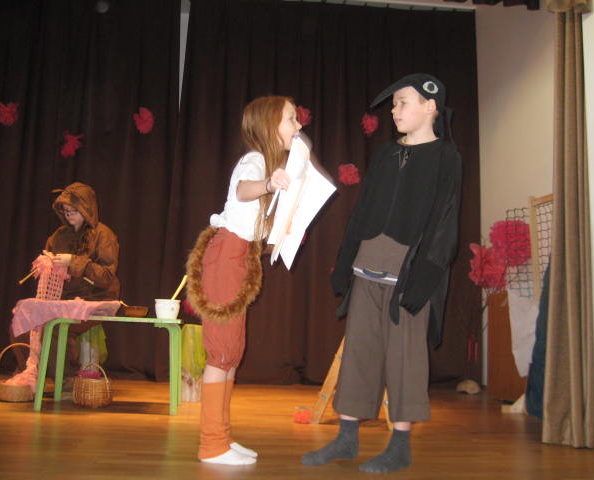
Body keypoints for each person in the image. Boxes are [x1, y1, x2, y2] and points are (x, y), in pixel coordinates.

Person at [301, 73, 462, 473]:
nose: (394, 110)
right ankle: (347, 438)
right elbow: (363, 211)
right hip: (366, 270)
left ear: (430, 106)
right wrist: (345, 263)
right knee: (359, 353)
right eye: (393, 105)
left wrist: (423, 281)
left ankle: (400, 445)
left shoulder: (446, 157)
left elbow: (445, 223)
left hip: (407, 278)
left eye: (402, 102)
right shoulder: (387, 154)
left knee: (405, 359)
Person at [185, 96, 301, 466]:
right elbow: (242, 189)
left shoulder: (268, 163)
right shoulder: (255, 160)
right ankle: (211, 445)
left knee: (231, 352)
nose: (298, 126)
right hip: (227, 257)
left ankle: (222, 437)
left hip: (239, 258)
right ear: (269, 125)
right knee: (221, 352)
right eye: (291, 119)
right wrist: (268, 183)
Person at [8, 182, 120, 389]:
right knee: (23, 322)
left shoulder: (104, 235)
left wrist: (74, 262)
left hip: (96, 298)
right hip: (63, 299)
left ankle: (66, 377)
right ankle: (31, 373)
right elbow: (49, 265)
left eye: (73, 211)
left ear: (87, 209)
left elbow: (106, 276)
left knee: (57, 326)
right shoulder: (58, 236)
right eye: (66, 211)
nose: (69, 215)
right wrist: (46, 264)